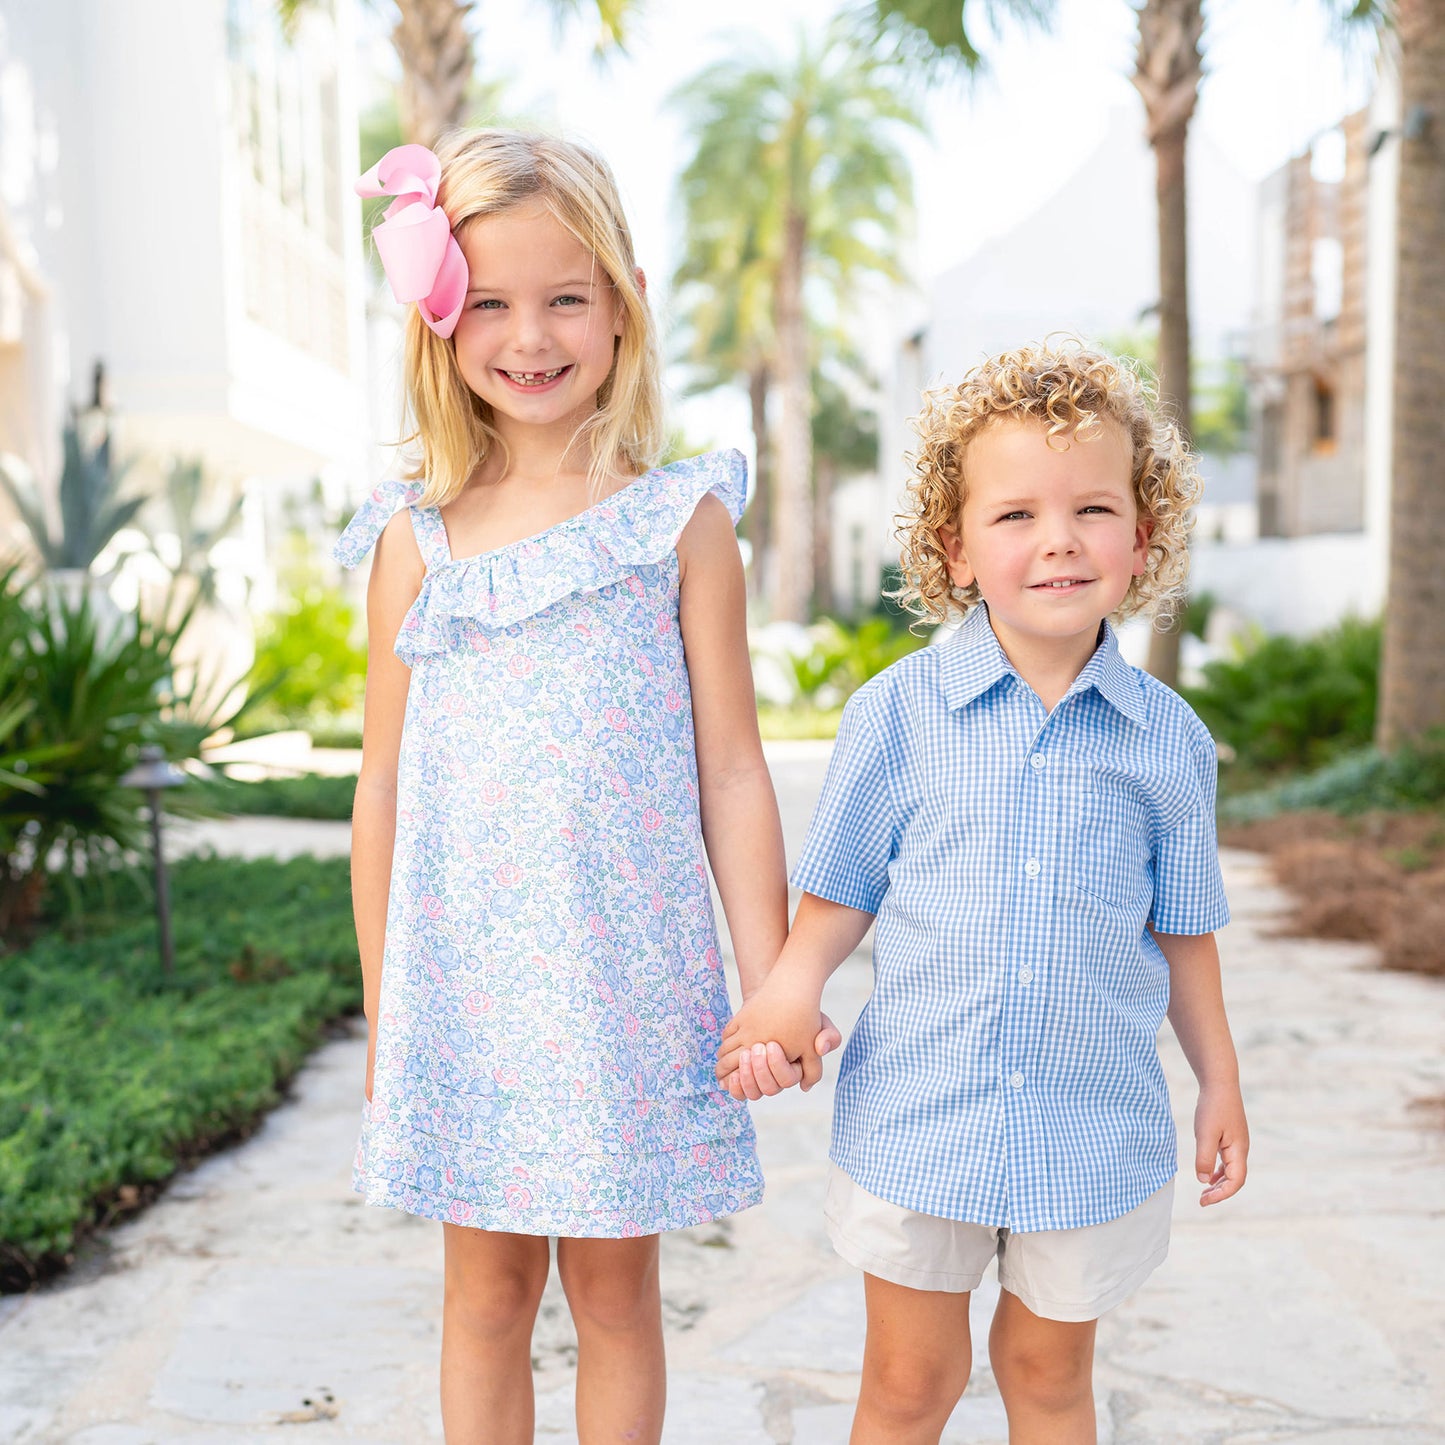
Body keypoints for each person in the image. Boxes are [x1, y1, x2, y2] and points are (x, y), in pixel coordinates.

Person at [335, 130, 830, 1445]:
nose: (530, 334)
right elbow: (380, 785)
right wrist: (390, 1008)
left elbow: (731, 768)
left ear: (622, 304)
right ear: (441, 317)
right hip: (469, 995)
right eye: (489, 300)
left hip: (626, 984)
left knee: (616, 1295)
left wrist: (775, 978)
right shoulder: (413, 537)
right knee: (484, 1294)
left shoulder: (679, 521)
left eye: (565, 295)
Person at [718, 341, 1250, 1445]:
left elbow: (1184, 933)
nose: (1057, 538)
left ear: (1140, 536)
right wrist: (783, 992)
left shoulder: (1166, 741)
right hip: (921, 1119)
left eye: (1092, 507)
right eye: (1013, 516)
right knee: (908, 1384)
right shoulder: (896, 714)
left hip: (1090, 1128)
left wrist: (1217, 1081)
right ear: (953, 549)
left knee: (1047, 1377)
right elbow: (836, 893)